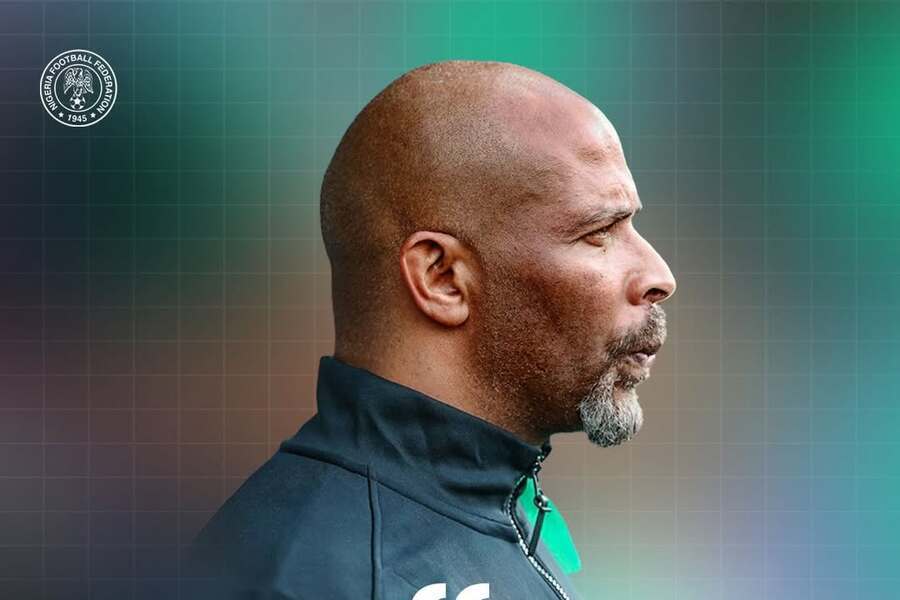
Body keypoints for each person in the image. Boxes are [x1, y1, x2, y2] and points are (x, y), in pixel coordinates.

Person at [181, 60, 676, 600]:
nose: (659, 276)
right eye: (599, 233)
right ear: (442, 278)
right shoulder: (309, 578)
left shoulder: (487, 505)